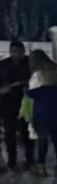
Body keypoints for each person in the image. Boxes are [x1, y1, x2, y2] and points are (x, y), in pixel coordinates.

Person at [26, 50, 57, 176]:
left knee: (42, 138)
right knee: (56, 137)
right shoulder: (56, 69)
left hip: (41, 110)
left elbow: (32, 92)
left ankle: (41, 167)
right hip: (55, 108)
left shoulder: (37, 73)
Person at [0, 41, 34, 171]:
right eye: (15, 52)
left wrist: (19, 83)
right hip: (8, 105)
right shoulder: (3, 65)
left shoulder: (30, 63)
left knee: (27, 133)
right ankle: (12, 162)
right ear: (10, 52)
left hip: (26, 103)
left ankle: (29, 159)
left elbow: (36, 79)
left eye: (20, 52)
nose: (18, 55)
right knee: (10, 134)